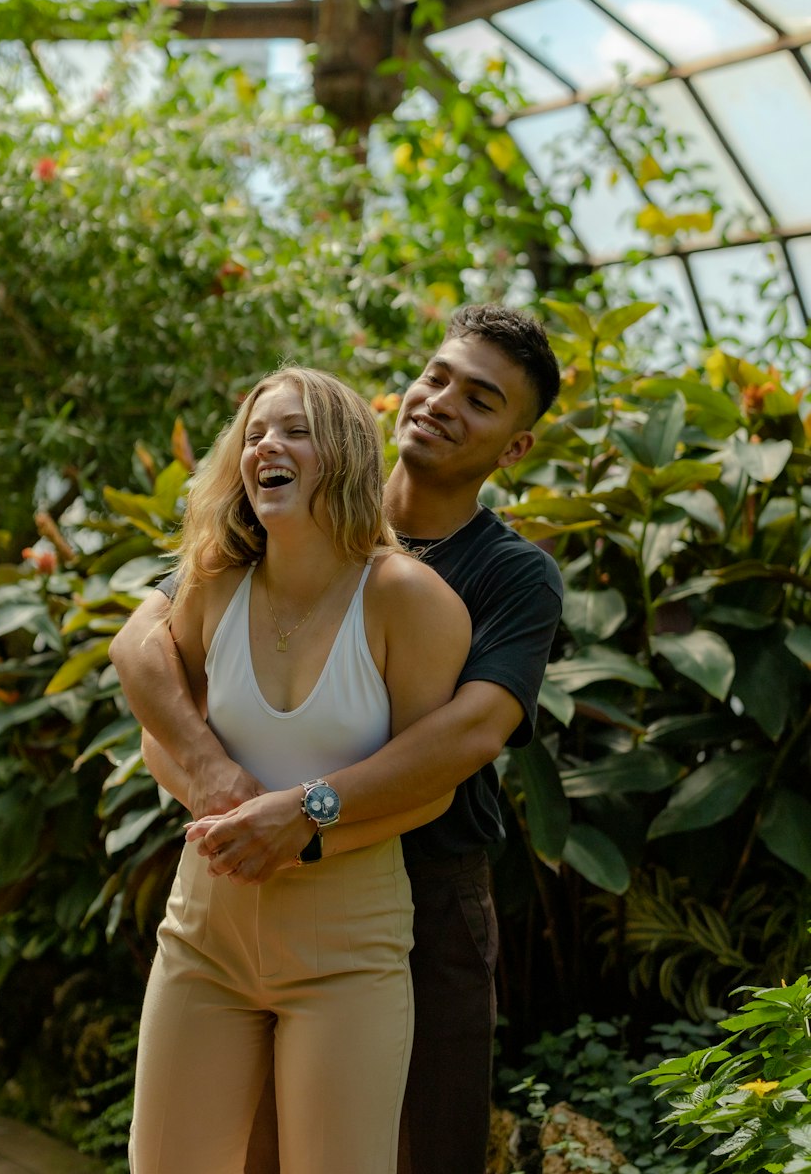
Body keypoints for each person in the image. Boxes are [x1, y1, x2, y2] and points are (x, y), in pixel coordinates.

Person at [111, 304, 564, 1174]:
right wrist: (216, 782)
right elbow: (143, 640)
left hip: (422, 890)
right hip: (238, 882)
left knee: (419, 1148)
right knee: (242, 1151)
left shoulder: (502, 577)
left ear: (515, 447)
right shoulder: (264, 535)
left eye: (480, 399)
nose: (441, 403)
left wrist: (307, 813)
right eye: (437, 377)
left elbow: (466, 734)